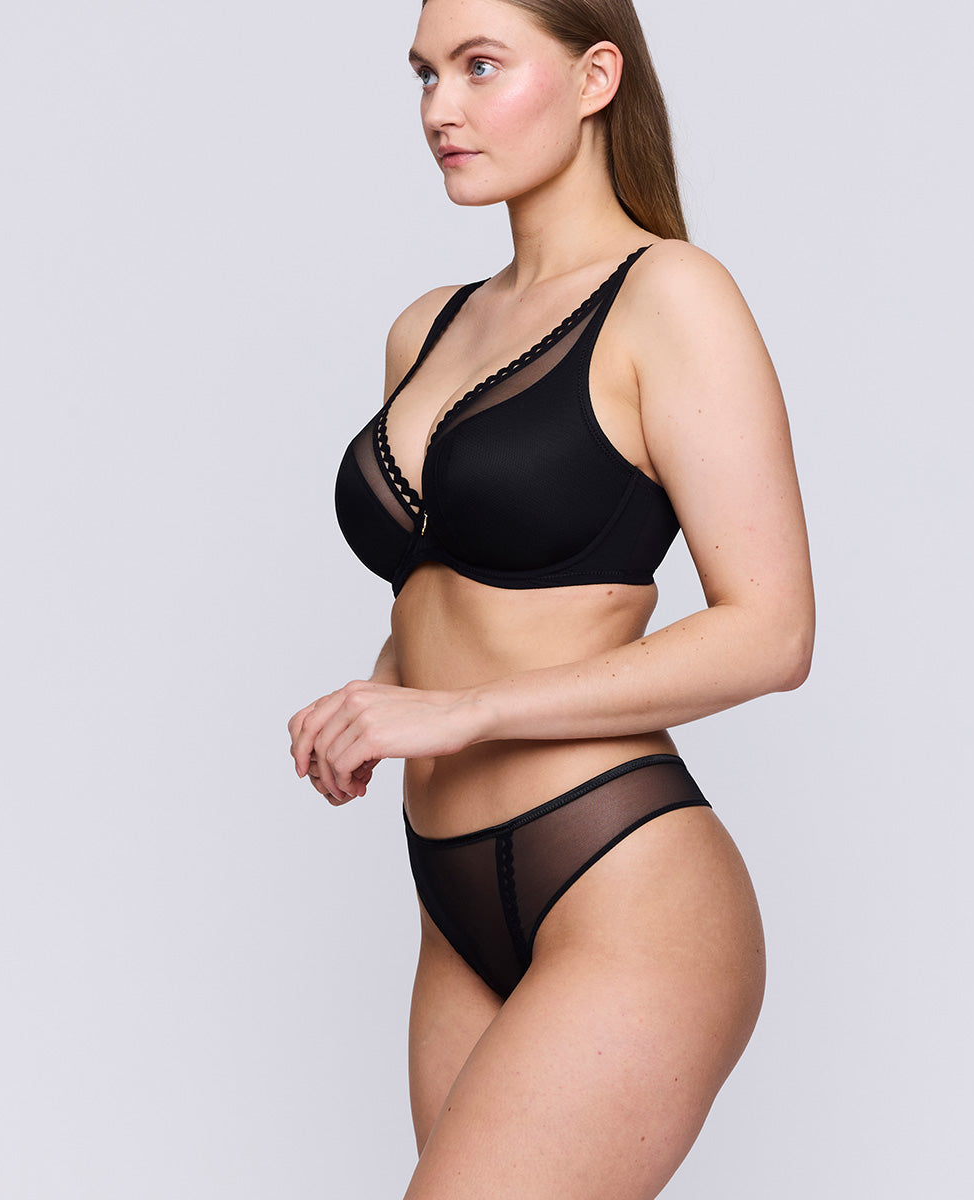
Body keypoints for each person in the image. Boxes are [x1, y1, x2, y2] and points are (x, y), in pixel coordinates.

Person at [287, 0, 814, 1195]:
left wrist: (463, 713)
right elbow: (448, 585)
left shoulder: (671, 295)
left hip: (618, 877)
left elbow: (774, 631)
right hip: (451, 898)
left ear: (594, 77)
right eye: (425, 74)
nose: (441, 108)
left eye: (481, 67)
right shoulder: (429, 328)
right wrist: (377, 694)